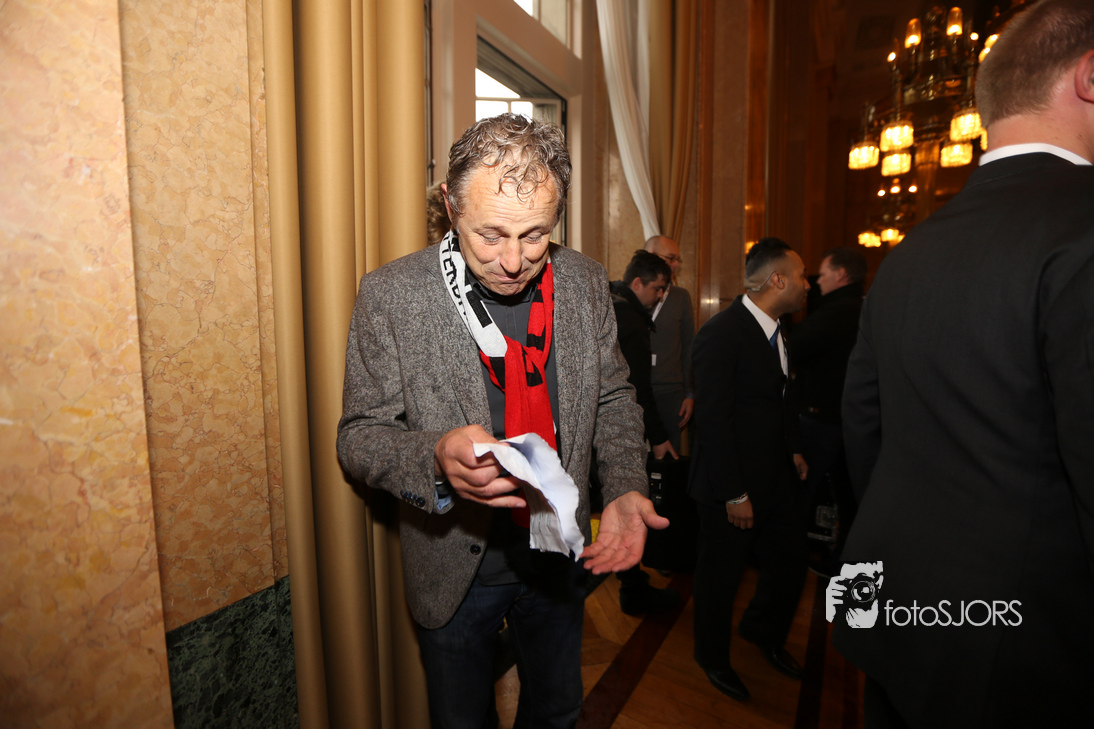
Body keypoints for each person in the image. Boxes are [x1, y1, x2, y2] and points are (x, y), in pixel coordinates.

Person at [337, 113, 668, 729]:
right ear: (450, 205)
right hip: (454, 567)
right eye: (490, 235)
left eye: (535, 235)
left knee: (558, 709)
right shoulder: (390, 295)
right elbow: (359, 436)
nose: (514, 261)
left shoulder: (585, 282)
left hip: (559, 553)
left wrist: (626, 483)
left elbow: (614, 396)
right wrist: (434, 457)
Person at [831, 2, 1094, 726]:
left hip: (903, 612)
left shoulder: (908, 253)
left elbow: (864, 426)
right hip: (1028, 645)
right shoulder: (1081, 229)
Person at [688, 237, 811, 701]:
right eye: (800, 276)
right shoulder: (721, 334)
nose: (807, 285)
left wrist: (794, 448)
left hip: (776, 478)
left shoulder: (780, 331)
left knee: (790, 563)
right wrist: (734, 493)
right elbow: (712, 422)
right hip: (731, 486)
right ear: (777, 280)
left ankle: (762, 631)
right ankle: (711, 656)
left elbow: (782, 401)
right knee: (720, 580)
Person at [608, 250, 681, 614]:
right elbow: (637, 389)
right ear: (637, 283)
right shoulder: (630, 321)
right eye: (658, 288)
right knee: (627, 503)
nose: (661, 296)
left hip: (597, 427)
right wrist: (659, 436)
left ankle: (629, 581)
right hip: (617, 431)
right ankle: (632, 591)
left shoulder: (609, 302)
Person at [787, 247, 866, 574]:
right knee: (848, 495)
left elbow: (794, 348)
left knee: (799, 491)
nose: (816, 281)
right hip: (848, 417)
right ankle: (842, 563)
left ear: (841, 275)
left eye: (823, 274)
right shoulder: (858, 307)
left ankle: (788, 561)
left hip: (822, 417)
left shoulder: (839, 311)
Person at [644, 235, 695, 453]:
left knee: (668, 455)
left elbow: (689, 346)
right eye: (671, 258)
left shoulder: (681, 297)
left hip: (670, 392)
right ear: (651, 256)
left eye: (678, 260)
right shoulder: (632, 292)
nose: (676, 265)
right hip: (635, 389)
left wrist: (690, 394)